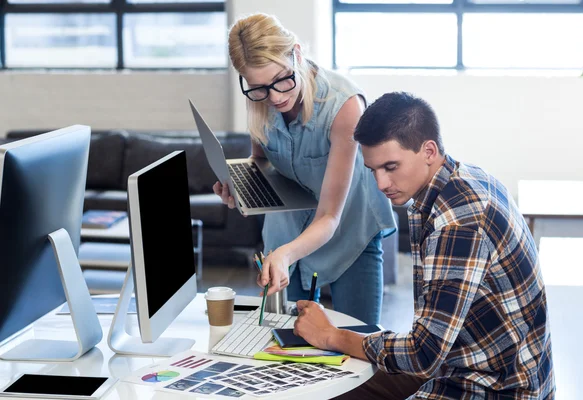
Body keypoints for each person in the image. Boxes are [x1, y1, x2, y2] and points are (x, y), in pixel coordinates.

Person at [293, 92, 555, 399]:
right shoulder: (461, 180)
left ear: (428, 150)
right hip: (459, 362)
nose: (381, 184)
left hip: (492, 388)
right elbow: (429, 342)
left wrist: (331, 336)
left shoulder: (459, 221)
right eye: (373, 170)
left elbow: (423, 353)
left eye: (390, 167)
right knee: (329, 389)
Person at [213, 13, 396, 324]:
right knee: (287, 339)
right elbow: (262, 159)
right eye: (259, 88)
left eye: (282, 80)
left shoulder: (344, 105)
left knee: (357, 340)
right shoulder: (258, 94)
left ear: (297, 54)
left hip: (349, 228)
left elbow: (330, 216)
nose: (275, 97)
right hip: (287, 230)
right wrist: (244, 188)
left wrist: (285, 254)